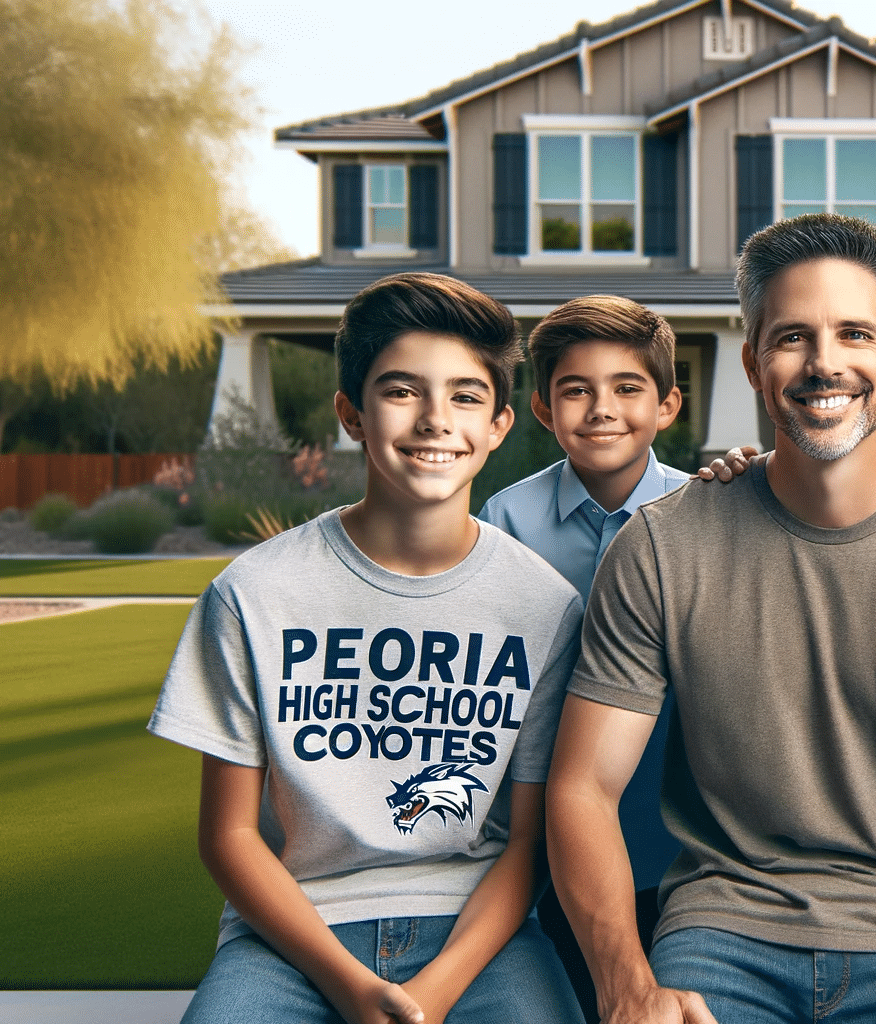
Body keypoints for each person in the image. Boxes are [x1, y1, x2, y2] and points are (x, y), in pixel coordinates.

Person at [544, 213, 876, 1024]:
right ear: (752, 363)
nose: (824, 364)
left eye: (854, 332)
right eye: (791, 337)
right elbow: (581, 788)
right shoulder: (660, 549)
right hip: (722, 932)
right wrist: (627, 986)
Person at [148, 272, 585, 1024]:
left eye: (465, 397)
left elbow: (527, 848)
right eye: (401, 391)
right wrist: (350, 987)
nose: (434, 420)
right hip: (289, 937)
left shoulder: (544, 606)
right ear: (351, 413)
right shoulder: (253, 593)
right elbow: (227, 836)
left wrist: (436, 990)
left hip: (480, 939)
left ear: (499, 426)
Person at [477, 295, 751, 1022]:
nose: (602, 408)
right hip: (538, 833)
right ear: (542, 409)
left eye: (627, 388)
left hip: (675, 834)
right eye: (577, 389)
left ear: (667, 405)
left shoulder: (712, 509)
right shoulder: (502, 523)